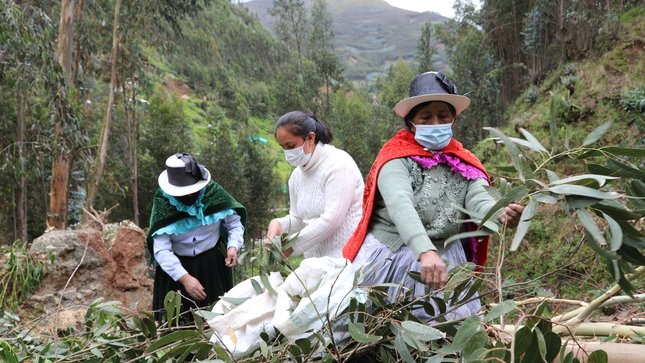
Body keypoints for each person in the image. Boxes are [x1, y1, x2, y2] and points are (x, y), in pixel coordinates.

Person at [342, 71, 524, 321]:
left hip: (446, 259)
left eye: (443, 117)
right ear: (411, 122)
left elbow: (477, 197)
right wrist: (424, 251)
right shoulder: (395, 159)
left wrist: (498, 212)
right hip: (397, 257)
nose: (435, 123)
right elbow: (399, 204)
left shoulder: (463, 161)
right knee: (387, 330)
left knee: (449, 336)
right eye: (426, 118)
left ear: (454, 120)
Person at [147, 153, 247, 322]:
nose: (188, 196)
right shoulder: (163, 203)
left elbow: (234, 224)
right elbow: (161, 249)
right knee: (178, 322)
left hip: (212, 267)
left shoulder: (213, 194)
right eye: (183, 193)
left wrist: (233, 246)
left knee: (217, 318)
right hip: (175, 273)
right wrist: (184, 278)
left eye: (191, 191)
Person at [265, 111, 364, 259]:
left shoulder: (338, 165)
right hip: (315, 264)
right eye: (282, 147)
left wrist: (291, 247)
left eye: (290, 145)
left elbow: (332, 220)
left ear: (310, 138)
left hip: (347, 260)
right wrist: (278, 224)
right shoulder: (296, 177)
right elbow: (298, 219)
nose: (287, 153)